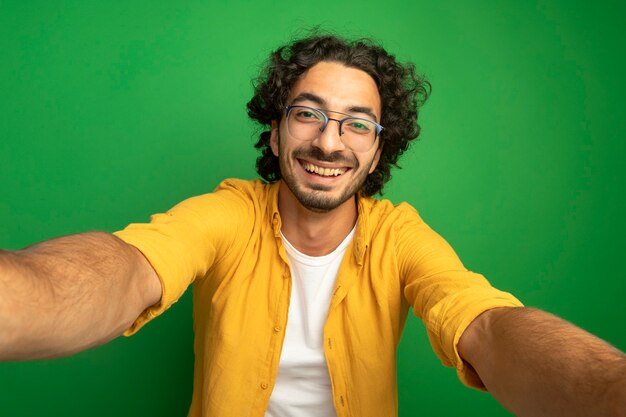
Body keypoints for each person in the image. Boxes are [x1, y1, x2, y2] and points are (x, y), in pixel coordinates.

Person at [0, 34, 624, 417]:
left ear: (379, 151)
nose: (329, 141)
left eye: (358, 123)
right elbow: (129, 267)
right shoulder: (231, 213)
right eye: (307, 114)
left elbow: (482, 323)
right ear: (274, 133)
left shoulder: (399, 236)